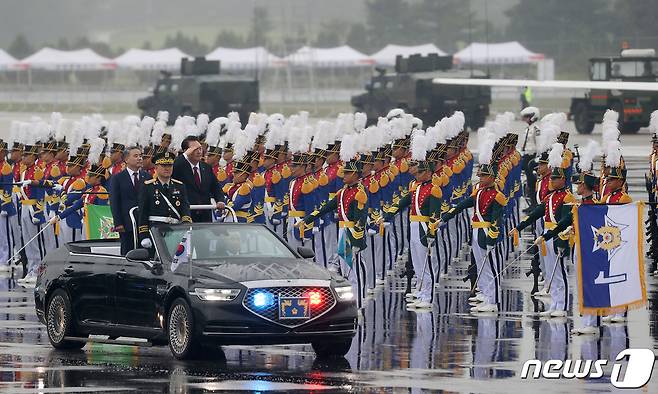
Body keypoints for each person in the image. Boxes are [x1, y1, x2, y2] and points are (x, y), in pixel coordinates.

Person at [138, 151, 192, 250]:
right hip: (156, 230)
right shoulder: (148, 186)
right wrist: (144, 235)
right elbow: (143, 212)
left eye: (170, 165)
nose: (167, 168)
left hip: (175, 230)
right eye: (163, 165)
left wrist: (186, 226)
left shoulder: (179, 186)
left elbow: (185, 207)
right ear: (156, 168)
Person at [172, 136, 224, 223]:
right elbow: (173, 166)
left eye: (200, 148)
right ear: (186, 151)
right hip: (187, 215)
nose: (199, 151)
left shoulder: (206, 167)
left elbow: (216, 187)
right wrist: (184, 155)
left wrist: (220, 200)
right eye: (195, 149)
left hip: (205, 216)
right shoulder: (180, 166)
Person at [109, 146, 148, 255]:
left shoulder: (147, 176)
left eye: (141, 156)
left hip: (144, 223)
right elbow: (114, 202)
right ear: (126, 159)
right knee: (128, 250)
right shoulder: (117, 178)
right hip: (126, 223)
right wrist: (118, 223)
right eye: (136, 156)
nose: (140, 158)